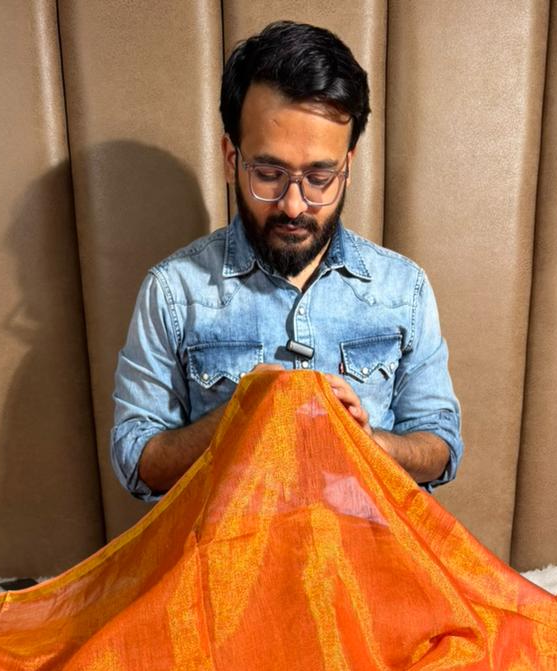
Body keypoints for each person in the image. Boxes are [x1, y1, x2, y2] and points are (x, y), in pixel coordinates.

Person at [111, 20, 462, 503]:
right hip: (227, 548)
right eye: (269, 173)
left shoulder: (404, 287)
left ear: (348, 167)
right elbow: (136, 461)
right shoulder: (173, 292)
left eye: (320, 177)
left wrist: (370, 443)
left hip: (365, 544)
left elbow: (441, 445)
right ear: (231, 158)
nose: (294, 206)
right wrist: (236, 420)